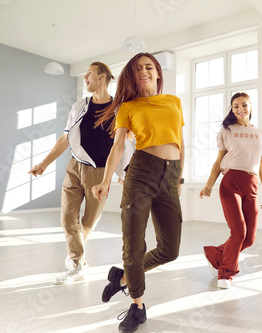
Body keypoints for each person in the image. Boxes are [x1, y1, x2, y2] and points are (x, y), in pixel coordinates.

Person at [91, 52, 185, 332]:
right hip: (141, 172)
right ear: (132, 76)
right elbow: (117, 147)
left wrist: (180, 178)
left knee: (170, 250)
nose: (143, 71)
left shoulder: (174, 101)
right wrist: (106, 180)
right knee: (133, 246)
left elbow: (181, 142)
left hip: (170, 176)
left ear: (157, 72)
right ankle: (137, 307)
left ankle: (122, 278)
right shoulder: (128, 107)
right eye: (137, 69)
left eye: (148, 67)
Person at [29, 62, 132, 285]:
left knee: (87, 223)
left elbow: (123, 143)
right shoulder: (79, 106)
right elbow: (65, 138)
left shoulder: (119, 109)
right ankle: (77, 264)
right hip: (75, 166)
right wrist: (44, 164)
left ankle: (78, 260)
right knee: (68, 219)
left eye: (89, 74)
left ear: (102, 77)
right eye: (84, 75)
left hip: (100, 172)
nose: (85, 78)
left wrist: (123, 170)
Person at [200, 92, 262, 289]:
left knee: (249, 238)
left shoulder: (261, 133)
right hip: (231, 181)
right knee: (238, 232)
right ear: (232, 109)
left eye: (244, 105)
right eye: (236, 106)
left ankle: (215, 253)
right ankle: (226, 273)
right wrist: (208, 185)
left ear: (251, 107)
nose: (240, 109)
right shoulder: (227, 131)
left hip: (252, 183)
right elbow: (218, 161)